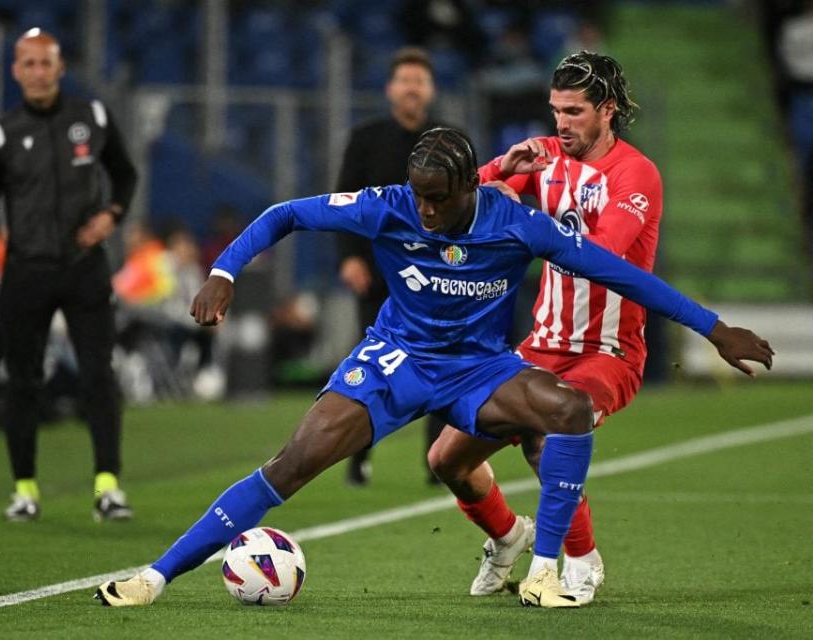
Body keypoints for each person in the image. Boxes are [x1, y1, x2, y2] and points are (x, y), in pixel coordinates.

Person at [94, 127, 773, 609]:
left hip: (480, 370)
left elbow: (623, 275)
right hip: (397, 362)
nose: (424, 208)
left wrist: (714, 329)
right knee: (293, 462)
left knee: (566, 411)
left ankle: (547, 571)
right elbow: (284, 215)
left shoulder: (516, 222)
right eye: (418, 195)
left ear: (467, 189)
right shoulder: (389, 206)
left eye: (437, 198)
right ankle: (155, 576)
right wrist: (224, 270)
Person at [426, 50, 669, 605]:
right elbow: (455, 199)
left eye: (575, 111)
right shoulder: (547, 159)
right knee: (446, 459)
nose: (561, 123)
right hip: (539, 347)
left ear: (607, 111)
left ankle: (581, 560)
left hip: (607, 352)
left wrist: (523, 221)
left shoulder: (634, 174)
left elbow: (601, 253)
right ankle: (509, 536)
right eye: (556, 110)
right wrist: (501, 171)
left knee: (547, 428)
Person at [0, 29, 138, 522]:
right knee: (23, 382)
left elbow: (125, 173)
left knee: (98, 376)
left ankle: (108, 486)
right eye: (29, 64)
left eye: (46, 63)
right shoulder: (0, 133)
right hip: (26, 272)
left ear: (61, 68)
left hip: (85, 270)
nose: (38, 72)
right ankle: (24, 489)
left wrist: (113, 213)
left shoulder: (93, 117)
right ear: (15, 71)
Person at [336, 46, 445, 486]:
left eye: (419, 80)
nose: (412, 88)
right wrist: (348, 257)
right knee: (369, 365)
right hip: (378, 270)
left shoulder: (447, 140)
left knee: (439, 364)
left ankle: (437, 460)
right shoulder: (366, 138)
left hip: (436, 276)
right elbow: (343, 199)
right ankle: (357, 457)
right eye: (405, 80)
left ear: (430, 90)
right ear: (390, 89)